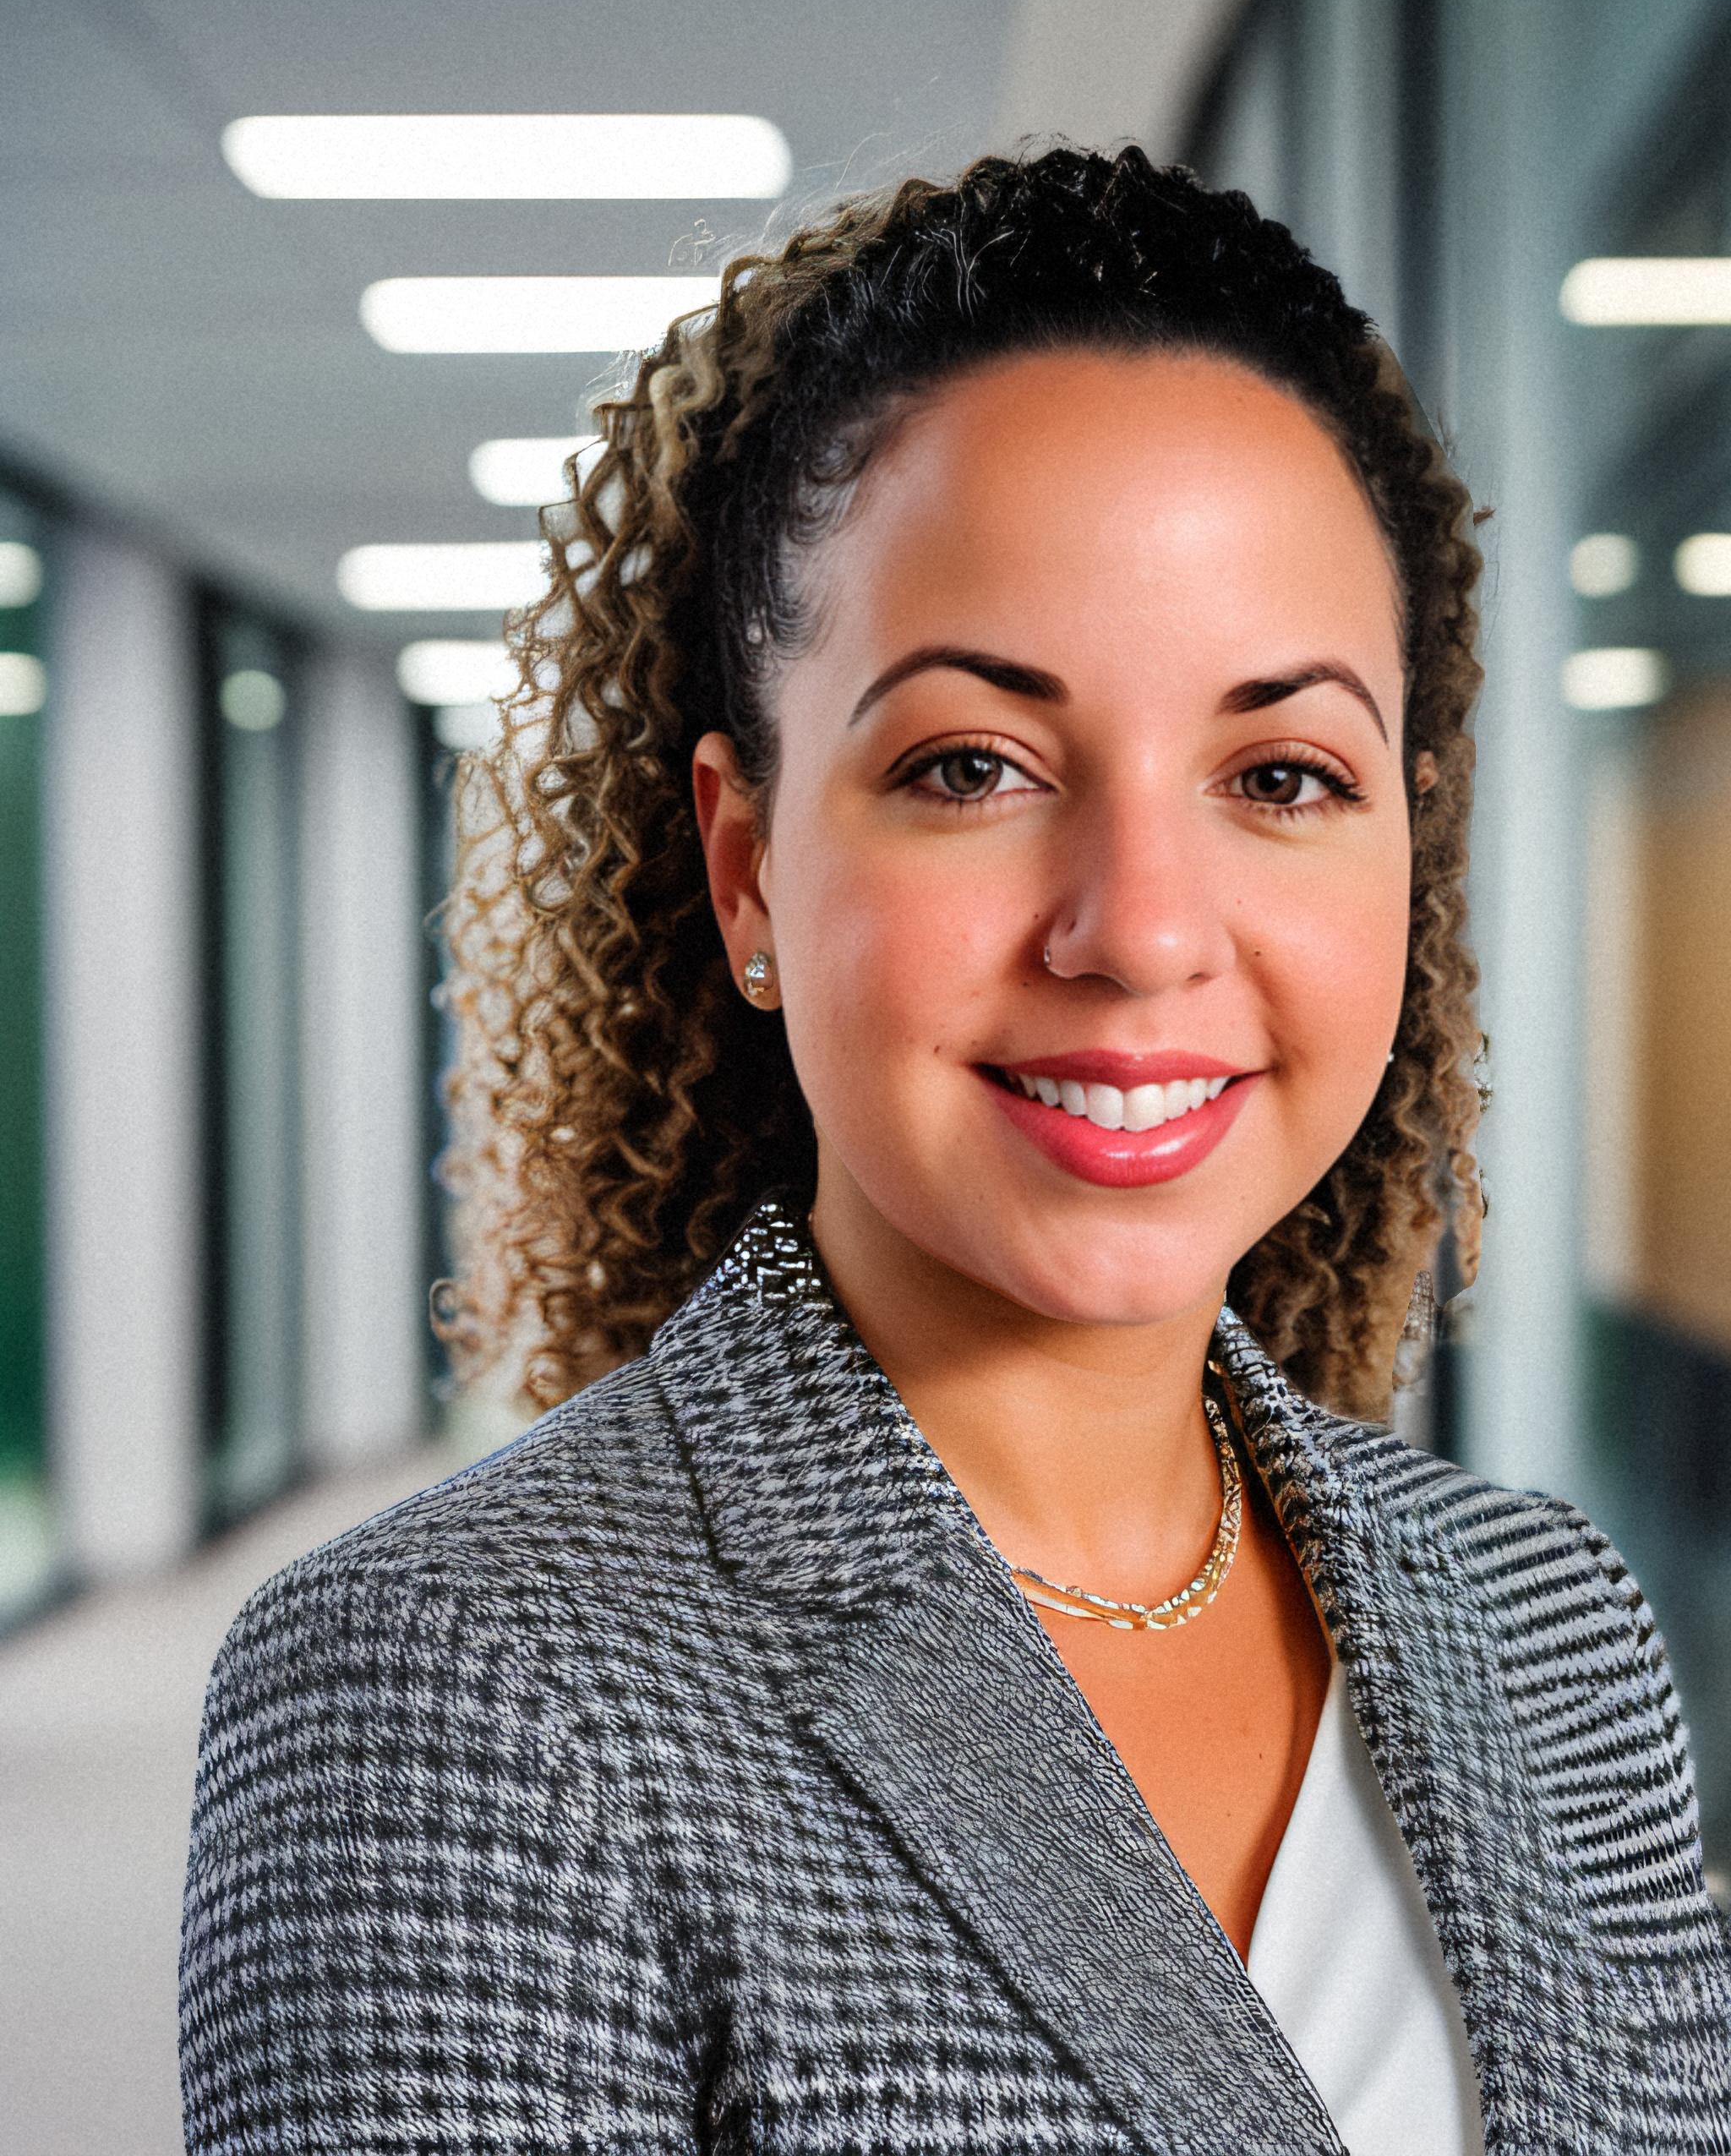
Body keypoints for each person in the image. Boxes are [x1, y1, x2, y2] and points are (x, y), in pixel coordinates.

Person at [178, 145, 1731, 2153]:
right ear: (749, 867)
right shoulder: (450, 1694)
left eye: (1280, 773)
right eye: (973, 764)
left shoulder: (1551, 1623)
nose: (1139, 928)